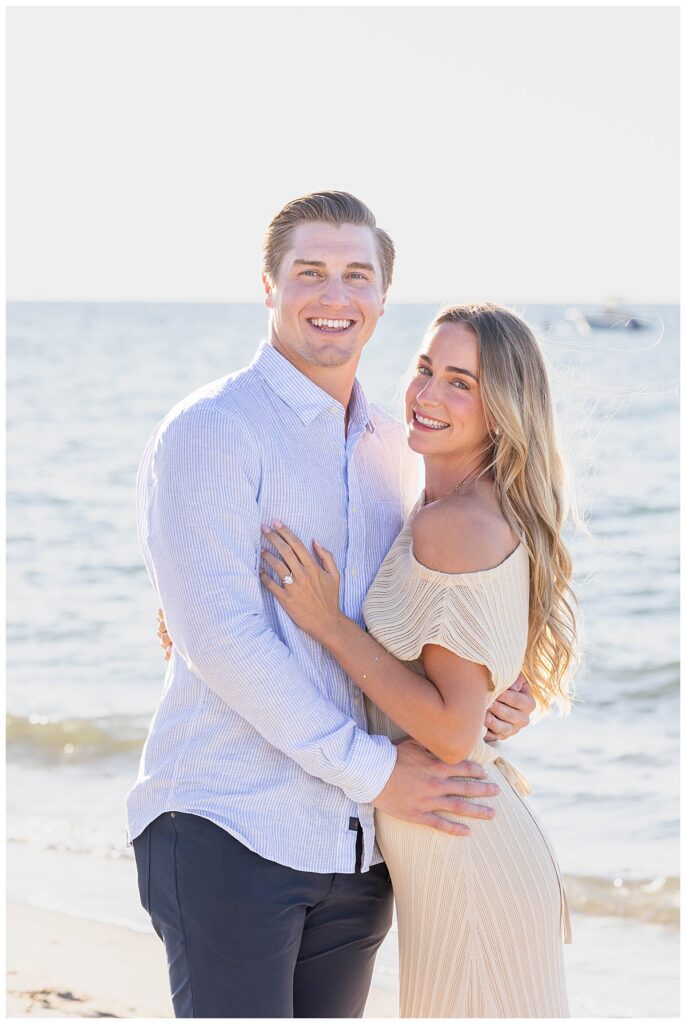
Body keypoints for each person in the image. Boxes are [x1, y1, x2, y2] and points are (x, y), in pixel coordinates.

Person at [128, 191, 535, 1019]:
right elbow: (221, 641)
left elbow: (423, 623)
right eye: (309, 271)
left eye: (358, 275)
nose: (334, 296)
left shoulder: (396, 450)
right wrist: (381, 770)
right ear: (269, 286)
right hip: (228, 825)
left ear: (384, 300)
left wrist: (485, 693)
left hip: (358, 849)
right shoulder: (213, 430)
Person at [255, 302, 577, 1017]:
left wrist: (327, 625)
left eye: (460, 382)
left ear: (503, 410)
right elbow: (471, 692)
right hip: (459, 846)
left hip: (470, 860)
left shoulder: (453, 525)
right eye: (426, 368)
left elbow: (455, 732)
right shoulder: (452, 506)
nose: (427, 395)